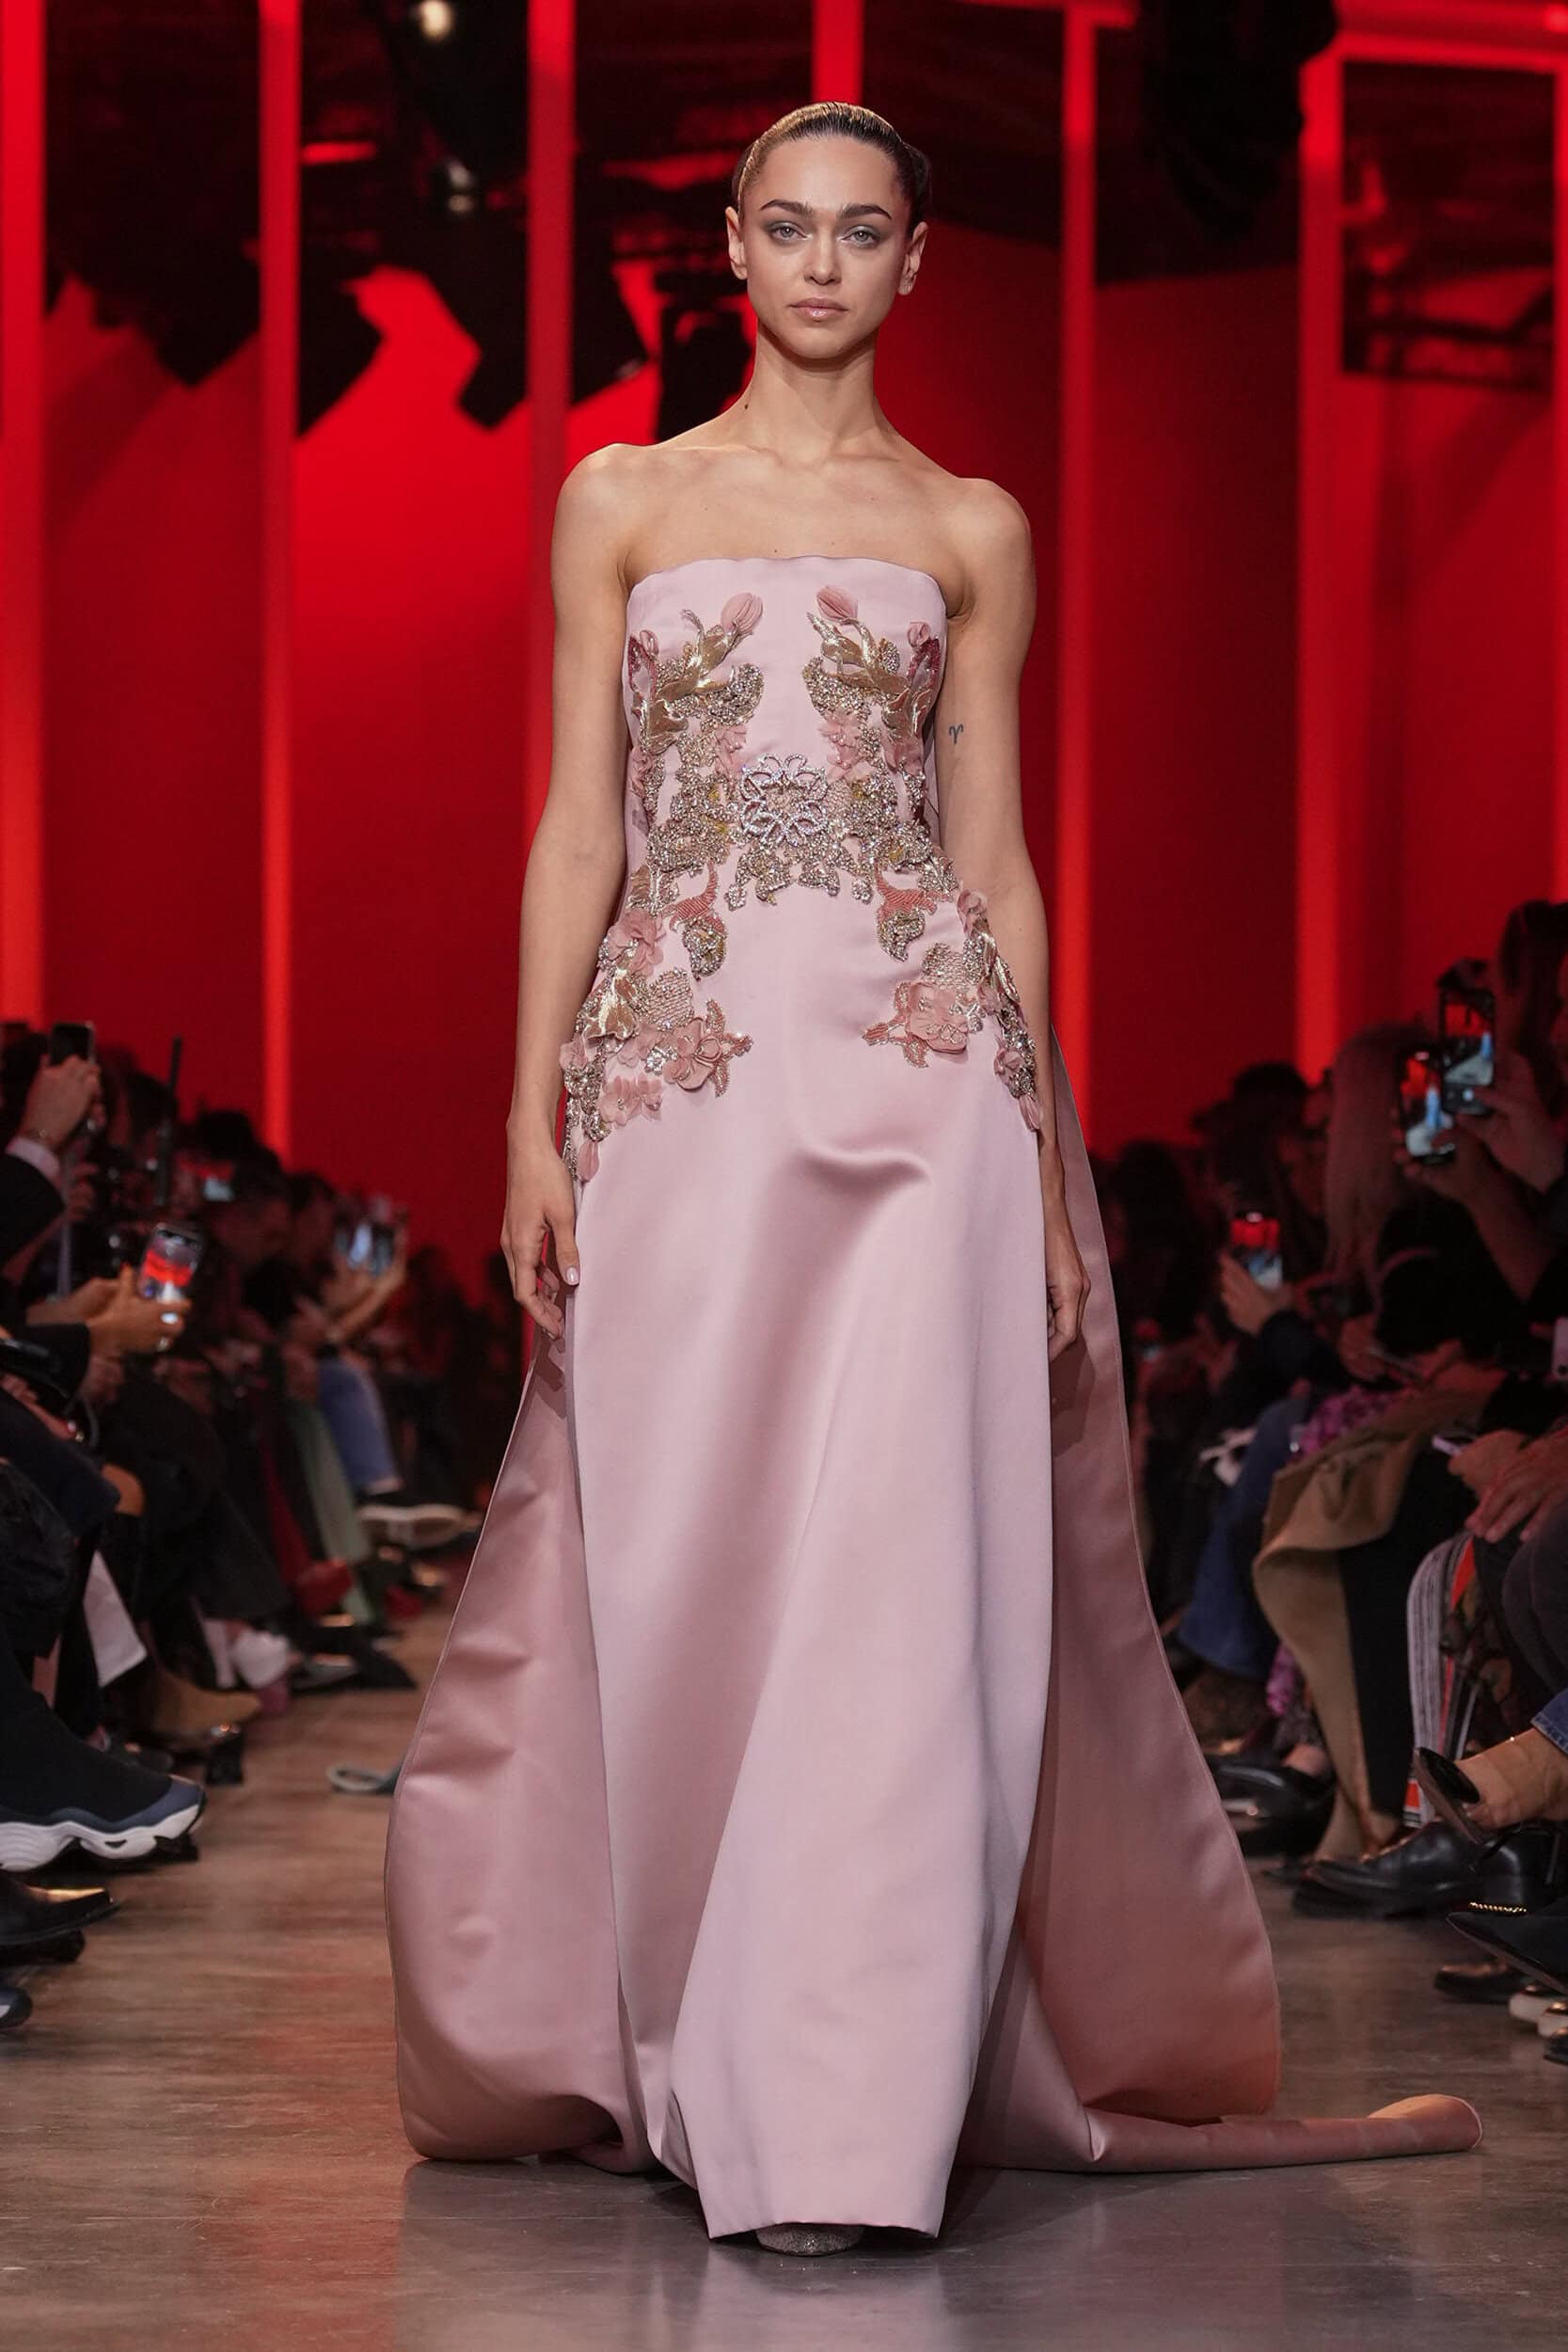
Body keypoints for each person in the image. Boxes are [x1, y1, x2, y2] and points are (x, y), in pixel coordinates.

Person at [384, 102, 1479, 2257]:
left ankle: (838, 2110)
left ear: (913, 262)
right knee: (685, 1568)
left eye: (859, 229)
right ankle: (695, 2042)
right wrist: (527, 1118)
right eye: (786, 226)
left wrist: (1049, 1158)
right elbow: (579, 823)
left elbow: (994, 861)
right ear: (730, 246)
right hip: (684, 1092)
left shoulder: (972, 522)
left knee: (896, 1590)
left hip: (923, 1093)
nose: (820, 263)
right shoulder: (621, 495)